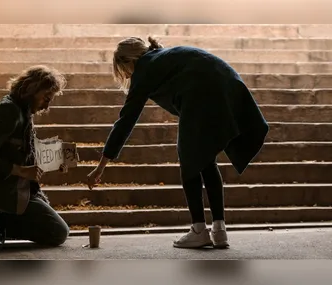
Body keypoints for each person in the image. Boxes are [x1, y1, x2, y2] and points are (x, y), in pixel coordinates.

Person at [87, 37, 269, 249]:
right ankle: (219, 230)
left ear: (128, 61)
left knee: (189, 158)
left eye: (123, 69)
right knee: (205, 157)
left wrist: (101, 165)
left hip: (202, 94)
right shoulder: (164, 57)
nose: (127, 75)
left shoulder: (144, 70)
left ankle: (199, 229)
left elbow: (125, 120)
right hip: (228, 83)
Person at [0, 65, 70, 252]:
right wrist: (20, 170)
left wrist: (56, 159)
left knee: (54, 224)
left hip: (18, 187)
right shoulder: (8, 111)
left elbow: (22, 149)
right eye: (45, 98)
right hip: (1, 190)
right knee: (58, 233)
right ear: (31, 89)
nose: (46, 106)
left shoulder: (22, 109)